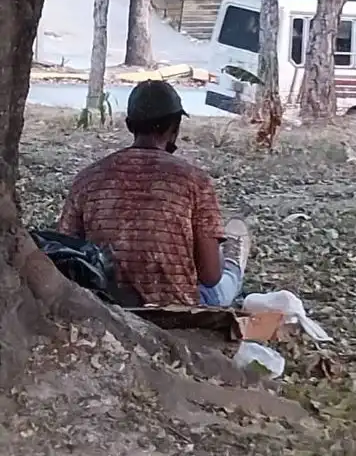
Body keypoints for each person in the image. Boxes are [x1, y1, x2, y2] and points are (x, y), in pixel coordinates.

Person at [57, 80, 249, 307]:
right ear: (175, 127)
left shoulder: (87, 179)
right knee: (226, 279)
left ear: (129, 125)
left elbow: (66, 253)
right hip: (177, 311)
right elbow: (209, 276)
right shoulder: (195, 181)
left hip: (107, 309)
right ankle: (234, 260)